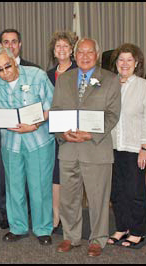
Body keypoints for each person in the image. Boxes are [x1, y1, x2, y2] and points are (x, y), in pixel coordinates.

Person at [51, 38, 121, 257]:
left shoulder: (110, 80)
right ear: (74, 54)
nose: (84, 56)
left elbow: (112, 115)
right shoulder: (64, 79)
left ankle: (98, 239)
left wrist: (91, 134)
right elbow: (56, 111)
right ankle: (71, 237)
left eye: (89, 52)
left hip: (96, 148)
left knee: (98, 199)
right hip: (69, 149)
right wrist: (62, 134)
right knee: (68, 198)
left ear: (97, 55)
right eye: (80, 52)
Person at [0, 47, 55, 246]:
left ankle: (42, 229)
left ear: (15, 60)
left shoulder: (37, 75)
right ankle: (18, 227)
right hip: (10, 141)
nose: (5, 72)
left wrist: (35, 124)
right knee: (13, 185)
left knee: (39, 186)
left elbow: (51, 106)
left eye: (8, 66)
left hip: (38, 140)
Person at [0, 29, 42, 230]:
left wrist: (33, 124)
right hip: (5, 136)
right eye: (5, 42)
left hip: (33, 134)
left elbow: (47, 105)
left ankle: (35, 222)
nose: (10, 45)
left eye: (13, 41)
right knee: (8, 181)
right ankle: (12, 221)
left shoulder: (34, 70)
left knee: (34, 182)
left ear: (20, 44)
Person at [107, 43, 146, 249]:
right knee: (117, 192)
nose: (124, 64)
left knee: (135, 192)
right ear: (116, 63)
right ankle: (122, 228)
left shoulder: (145, 86)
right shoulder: (109, 84)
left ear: (137, 63)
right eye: (121, 60)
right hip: (112, 147)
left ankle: (138, 231)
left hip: (135, 149)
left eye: (129, 60)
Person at [46, 31, 78, 233]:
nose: (62, 49)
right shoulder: (47, 75)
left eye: (65, 46)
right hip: (51, 132)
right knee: (55, 176)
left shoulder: (80, 71)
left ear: (72, 50)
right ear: (53, 51)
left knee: (72, 176)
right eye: (58, 46)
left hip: (74, 131)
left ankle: (71, 219)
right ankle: (56, 217)